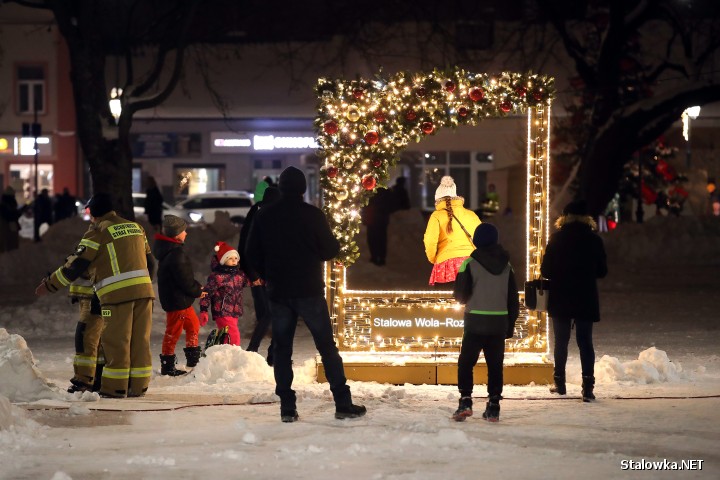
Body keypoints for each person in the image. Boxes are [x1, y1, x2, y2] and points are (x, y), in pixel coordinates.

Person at [246, 166, 366, 423]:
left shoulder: (265, 215)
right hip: (309, 289)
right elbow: (330, 250)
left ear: (279, 186)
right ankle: (342, 402)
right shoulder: (312, 215)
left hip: (278, 290)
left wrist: (268, 271)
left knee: (282, 349)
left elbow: (251, 252)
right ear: (303, 189)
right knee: (326, 347)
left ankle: (287, 407)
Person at [35, 193, 157, 398]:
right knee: (140, 342)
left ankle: (115, 388)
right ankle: (138, 387)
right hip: (144, 293)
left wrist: (49, 286)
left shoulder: (98, 231)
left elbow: (75, 266)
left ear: (95, 213)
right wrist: (143, 285)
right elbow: (151, 263)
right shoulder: (136, 228)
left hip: (117, 297)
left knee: (117, 341)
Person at [540, 200, 607, 402]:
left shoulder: (556, 239)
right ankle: (588, 387)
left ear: (565, 217)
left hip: (561, 296)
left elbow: (546, 271)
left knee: (561, 341)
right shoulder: (594, 240)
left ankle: (559, 382)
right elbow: (602, 271)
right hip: (585, 296)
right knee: (585, 342)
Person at [452, 223, 519, 422]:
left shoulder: (469, 263)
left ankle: (465, 401)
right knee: (495, 365)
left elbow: (460, 295)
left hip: (475, 322)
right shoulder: (507, 267)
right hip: (499, 322)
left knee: (466, 363)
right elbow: (513, 299)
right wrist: (509, 325)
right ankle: (494, 406)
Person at [153, 215, 204, 376]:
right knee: (173, 332)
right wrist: (198, 290)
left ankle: (193, 359)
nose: (186, 234)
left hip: (180, 300)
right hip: (177, 301)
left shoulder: (170, 251)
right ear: (176, 234)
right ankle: (167, 365)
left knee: (193, 325)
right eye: (184, 231)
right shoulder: (176, 254)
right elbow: (184, 279)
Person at [239, 186, 280, 365]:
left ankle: (271, 354)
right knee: (269, 314)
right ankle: (253, 351)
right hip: (260, 275)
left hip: (269, 274)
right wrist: (253, 273)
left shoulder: (266, 214)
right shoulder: (259, 215)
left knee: (272, 314)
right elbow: (246, 247)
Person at [423, 176, 481, 286]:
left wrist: (434, 259)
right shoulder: (471, 215)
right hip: (472, 265)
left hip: (447, 266)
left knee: (445, 301)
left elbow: (430, 241)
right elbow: (481, 239)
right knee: (472, 301)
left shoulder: (437, 216)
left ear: (438, 199)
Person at [199, 241, 251, 346]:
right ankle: (234, 356)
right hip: (222, 311)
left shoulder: (239, 275)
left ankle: (221, 355)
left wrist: (263, 280)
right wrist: (203, 310)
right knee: (234, 335)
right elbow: (206, 293)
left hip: (234, 311)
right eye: (230, 258)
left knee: (227, 337)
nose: (234, 261)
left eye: (236, 258)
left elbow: (250, 281)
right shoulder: (217, 276)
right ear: (223, 260)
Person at [67, 275, 105, 394]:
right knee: (96, 340)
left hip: (94, 298)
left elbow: (79, 266)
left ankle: (84, 380)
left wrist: (50, 284)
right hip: (89, 296)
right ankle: (96, 378)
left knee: (85, 339)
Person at [362, 187, 395, 266]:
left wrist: (365, 218)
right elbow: (391, 205)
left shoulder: (369, 191)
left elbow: (365, 206)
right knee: (381, 239)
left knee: (372, 239)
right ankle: (381, 258)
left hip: (372, 219)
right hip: (381, 219)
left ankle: (374, 257)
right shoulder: (385, 192)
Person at [0, 186, 21, 252]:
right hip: (9, 226)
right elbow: (11, 216)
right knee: (11, 244)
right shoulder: (8, 205)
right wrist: (18, 213)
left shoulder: (3, 204)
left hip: (5, 226)